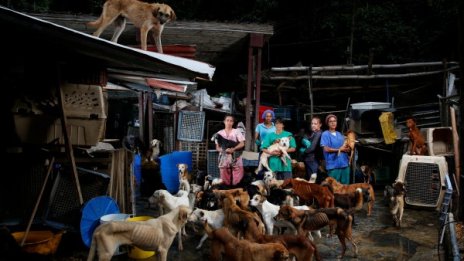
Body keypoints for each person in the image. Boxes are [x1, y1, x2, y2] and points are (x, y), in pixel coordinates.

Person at [214, 114, 245, 186]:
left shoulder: (236, 131)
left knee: (238, 174)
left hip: (235, 155)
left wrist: (233, 149)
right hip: (224, 157)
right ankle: (226, 190)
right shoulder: (219, 133)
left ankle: (236, 189)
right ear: (224, 122)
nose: (229, 122)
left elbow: (242, 144)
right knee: (224, 174)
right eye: (227, 120)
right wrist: (224, 151)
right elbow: (217, 147)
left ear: (233, 123)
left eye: (231, 121)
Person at [320, 114, 351, 184]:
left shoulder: (340, 135)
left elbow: (345, 147)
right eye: (330, 121)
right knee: (333, 188)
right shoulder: (325, 134)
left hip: (344, 164)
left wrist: (347, 149)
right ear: (327, 123)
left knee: (345, 188)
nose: (333, 123)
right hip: (333, 166)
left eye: (334, 121)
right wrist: (340, 150)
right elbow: (326, 149)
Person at [301, 116, 324, 182]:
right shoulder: (314, 133)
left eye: (315, 124)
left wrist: (303, 151)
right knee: (311, 179)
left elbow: (312, 148)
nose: (313, 125)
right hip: (310, 160)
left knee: (313, 180)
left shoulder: (319, 133)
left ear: (320, 125)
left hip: (313, 160)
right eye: (312, 123)